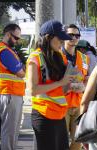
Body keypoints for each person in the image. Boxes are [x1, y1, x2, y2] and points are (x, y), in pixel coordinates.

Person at [26, 20, 74, 150]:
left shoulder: (60, 57)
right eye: (60, 39)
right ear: (49, 38)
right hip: (43, 115)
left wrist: (72, 84)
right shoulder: (35, 58)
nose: (62, 43)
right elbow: (32, 90)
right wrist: (61, 82)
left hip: (59, 115)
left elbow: (62, 89)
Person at [0, 23, 25, 150]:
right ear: (8, 34)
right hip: (9, 93)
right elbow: (21, 72)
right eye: (16, 38)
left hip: (11, 94)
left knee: (12, 130)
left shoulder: (7, 50)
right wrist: (22, 70)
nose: (17, 41)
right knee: (10, 131)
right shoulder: (5, 51)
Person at [60, 24, 90, 150]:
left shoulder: (84, 58)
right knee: (61, 141)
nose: (74, 37)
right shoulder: (56, 56)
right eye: (70, 34)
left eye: (76, 35)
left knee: (78, 140)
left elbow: (87, 78)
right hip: (61, 105)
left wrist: (85, 84)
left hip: (78, 104)